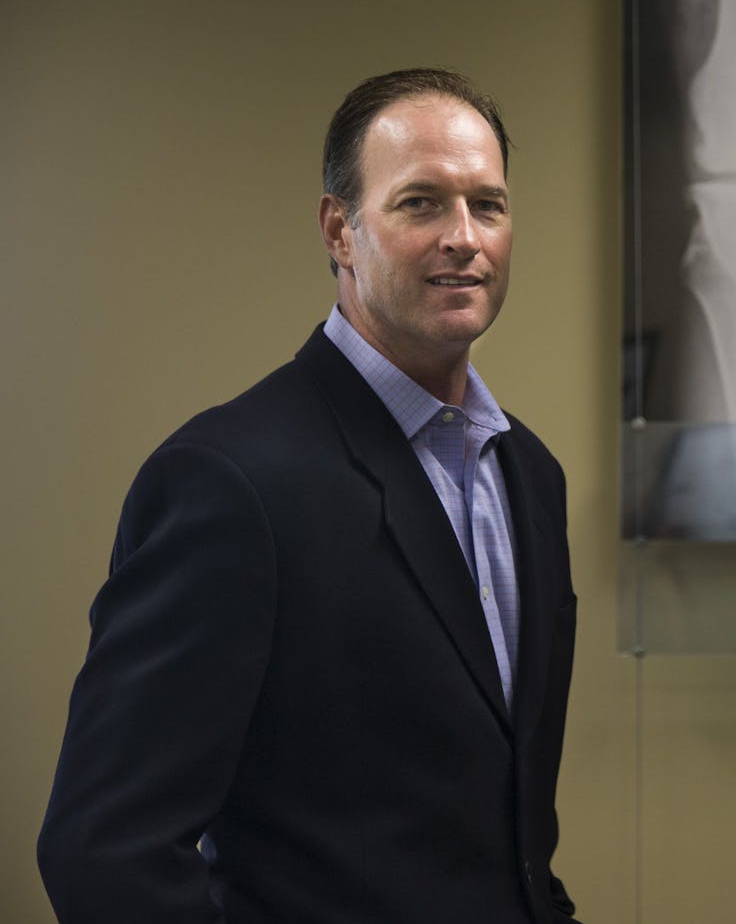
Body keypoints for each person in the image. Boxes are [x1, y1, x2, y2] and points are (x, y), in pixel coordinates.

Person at [37, 68, 581, 924]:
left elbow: (510, 843)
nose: (464, 237)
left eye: (489, 204)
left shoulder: (530, 477)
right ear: (340, 230)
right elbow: (103, 852)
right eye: (420, 204)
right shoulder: (229, 482)